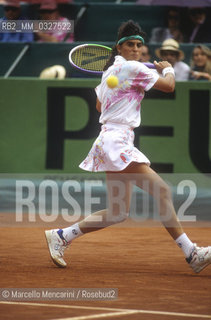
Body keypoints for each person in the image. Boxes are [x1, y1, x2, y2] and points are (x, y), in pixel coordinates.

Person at [45, 20, 211, 274]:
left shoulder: (109, 71)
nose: (135, 49)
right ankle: (192, 253)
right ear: (119, 48)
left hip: (109, 139)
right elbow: (168, 86)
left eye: (138, 45)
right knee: (162, 191)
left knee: (117, 211)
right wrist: (168, 69)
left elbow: (100, 107)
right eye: (129, 45)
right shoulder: (132, 67)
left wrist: (125, 88)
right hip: (117, 141)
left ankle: (61, 235)